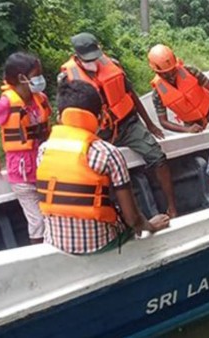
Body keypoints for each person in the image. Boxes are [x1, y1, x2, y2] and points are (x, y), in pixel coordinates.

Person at [37, 80, 170, 254]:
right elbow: (133, 219)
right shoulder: (107, 153)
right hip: (99, 244)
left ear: (59, 117)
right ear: (99, 118)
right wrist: (151, 226)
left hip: (55, 242)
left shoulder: (44, 150)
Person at [59, 32, 178, 217]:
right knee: (100, 171)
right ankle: (119, 216)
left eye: (95, 57)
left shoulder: (113, 65)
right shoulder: (68, 78)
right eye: (87, 59)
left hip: (127, 124)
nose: (93, 62)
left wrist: (149, 124)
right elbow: (67, 114)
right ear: (77, 57)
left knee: (156, 155)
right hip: (98, 132)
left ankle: (172, 207)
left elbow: (131, 96)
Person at [0, 52, 50, 244]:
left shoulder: (40, 98)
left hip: (44, 165)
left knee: (52, 214)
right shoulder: (6, 104)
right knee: (38, 221)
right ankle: (38, 255)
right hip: (21, 171)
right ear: (21, 78)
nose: (40, 78)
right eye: (37, 74)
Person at [149, 44, 209, 133]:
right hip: (192, 124)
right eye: (165, 74)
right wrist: (187, 129)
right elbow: (163, 122)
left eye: (173, 71)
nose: (171, 76)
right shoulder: (157, 94)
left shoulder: (190, 71)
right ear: (156, 72)